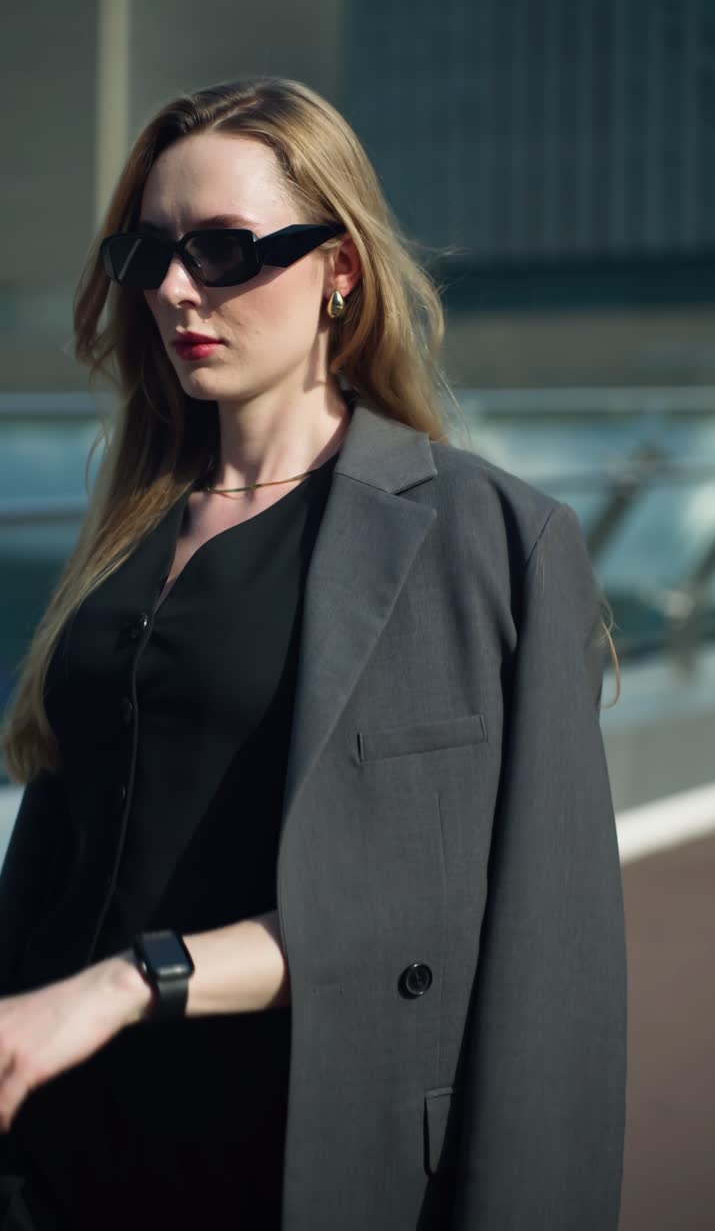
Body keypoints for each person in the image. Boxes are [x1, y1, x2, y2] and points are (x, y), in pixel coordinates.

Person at [0, 76, 626, 1231]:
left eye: (228, 250)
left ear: (339, 268)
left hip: (282, 1157)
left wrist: (125, 984)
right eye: (151, 256)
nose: (179, 289)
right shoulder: (128, 519)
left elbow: (471, 924)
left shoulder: (486, 544)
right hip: (55, 1154)